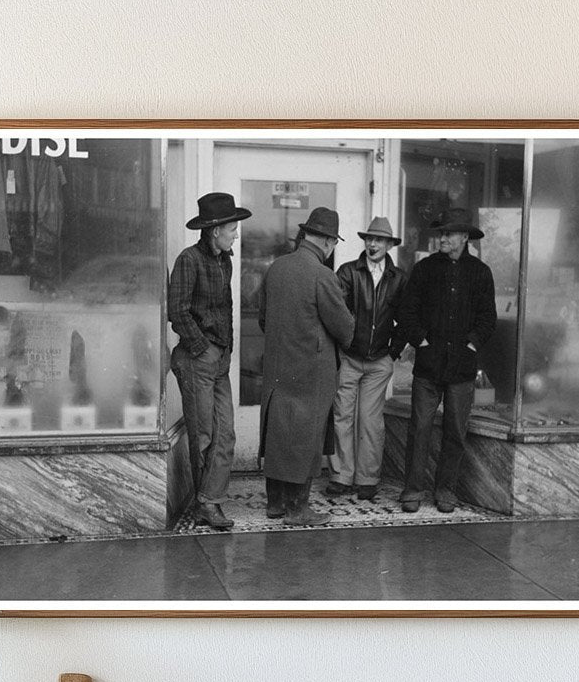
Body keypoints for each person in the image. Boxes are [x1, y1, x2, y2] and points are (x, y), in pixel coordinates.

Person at [258, 207, 355, 526]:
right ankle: (298, 510)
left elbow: (262, 317)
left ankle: (275, 504)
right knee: (305, 437)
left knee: (278, 431)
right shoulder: (323, 275)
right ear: (328, 241)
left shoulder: (276, 268)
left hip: (277, 366)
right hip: (311, 371)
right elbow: (344, 330)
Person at [398, 207, 497, 514]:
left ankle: (445, 490)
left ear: (464, 238)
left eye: (448, 233)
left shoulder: (480, 273)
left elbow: (487, 318)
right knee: (420, 428)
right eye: (440, 233)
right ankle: (412, 489)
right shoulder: (425, 269)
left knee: (455, 431)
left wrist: (471, 345)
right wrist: (420, 340)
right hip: (428, 366)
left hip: (462, 370)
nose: (442, 238)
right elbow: (407, 311)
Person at [168, 192, 251, 530]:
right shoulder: (190, 259)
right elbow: (177, 312)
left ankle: (208, 498)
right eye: (232, 228)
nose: (236, 234)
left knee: (225, 433)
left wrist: (225, 350)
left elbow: (226, 309)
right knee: (203, 435)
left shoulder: (225, 261)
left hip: (217, 359)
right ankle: (207, 504)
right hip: (195, 358)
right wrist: (202, 347)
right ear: (214, 230)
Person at [326, 217, 407, 501]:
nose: (373, 244)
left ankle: (367, 478)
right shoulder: (348, 272)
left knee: (371, 421)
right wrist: (342, 345)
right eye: (369, 239)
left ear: (388, 245)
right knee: (342, 416)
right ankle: (341, 476)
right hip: (349, 357)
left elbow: (407, 319)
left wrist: (393, 351)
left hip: (379, 361)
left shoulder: (398, 278)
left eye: (380, 240)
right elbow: (335, 312)